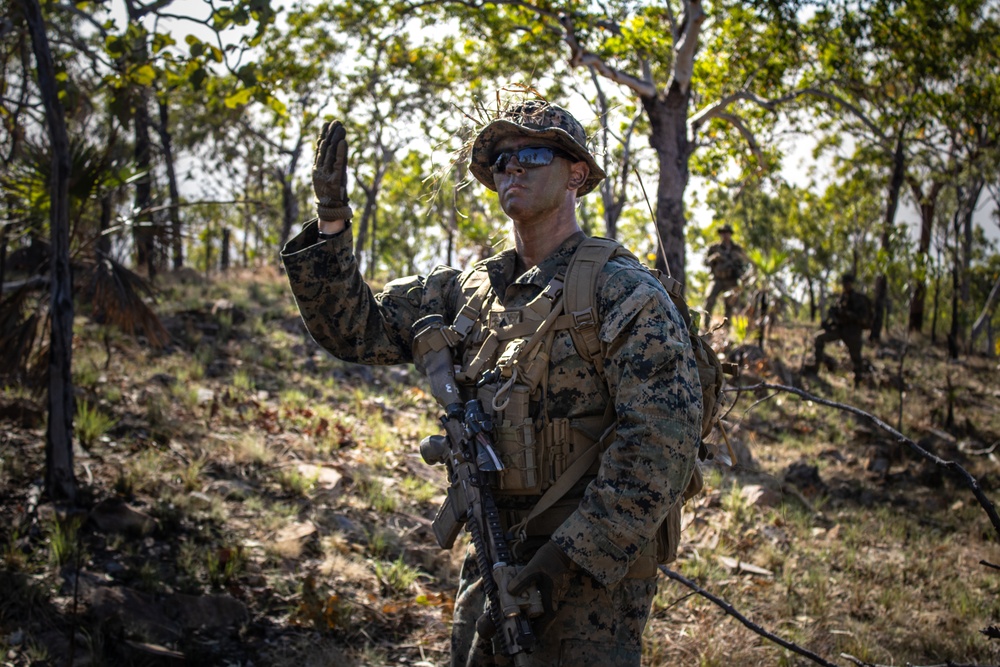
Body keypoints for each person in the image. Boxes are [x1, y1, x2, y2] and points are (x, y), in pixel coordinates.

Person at [281, 100, 703, 667]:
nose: (513, 169)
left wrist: (565, 559)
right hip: (491, 549)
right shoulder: (471, 291)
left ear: (576, 173)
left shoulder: (622, 291)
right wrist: (331, 221)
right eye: (502, 160)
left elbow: (661, 445)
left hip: (589, 578)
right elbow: (355, 332)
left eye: (531, 154)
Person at [805, 272, 873, 386]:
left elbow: (863, 318)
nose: (845, 286)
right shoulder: (841, 298)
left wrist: (848, 315)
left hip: (853, 332)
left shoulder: (859, 299)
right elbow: (835, 314)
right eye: (844, 283)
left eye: (847, 283)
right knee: (819, 338)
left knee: (856, 358)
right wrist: (829, 322)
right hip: (839, 329)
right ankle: (815, 367)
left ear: (851, 284)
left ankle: (858, 382)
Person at [703, 224, 748, 325]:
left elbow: (744, 264)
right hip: (717, 279)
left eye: (727, 232)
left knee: (730, 304)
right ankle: (705, 326)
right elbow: (705, 261)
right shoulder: (714, 248)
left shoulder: (737, 249)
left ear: (730, 234)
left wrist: (741, 275)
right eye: (723, 232)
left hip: (731, 280)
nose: (725, 235)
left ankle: (726, 328)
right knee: (709, 299)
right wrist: (714, 258)